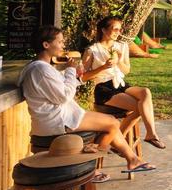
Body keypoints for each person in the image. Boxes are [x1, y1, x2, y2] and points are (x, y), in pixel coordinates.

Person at [18, 25, 155, 177]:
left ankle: (131, 160)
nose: (63, 45)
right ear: (46, 44)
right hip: (57, 121)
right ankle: (92, 167)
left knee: (110, 123)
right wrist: (70, 70)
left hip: (59, 117)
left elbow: (61, 88)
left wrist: (75, 75)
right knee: (112, 123)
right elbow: (64, 96)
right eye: (60, 42)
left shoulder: (41, 67)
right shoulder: (40, 70)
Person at [82, 16, 166, 149]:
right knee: (141, 107)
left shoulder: (121, 47)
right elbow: (83, 77)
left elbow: (126, 70)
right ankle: (118, 141)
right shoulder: (92, 50)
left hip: (120, 83)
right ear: (104, 30)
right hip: (104, 88)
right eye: (115, 29)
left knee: (145, 92)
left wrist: (119, 60)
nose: (118, 32)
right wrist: (103, 67)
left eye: (120, 30)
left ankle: (150, 134)